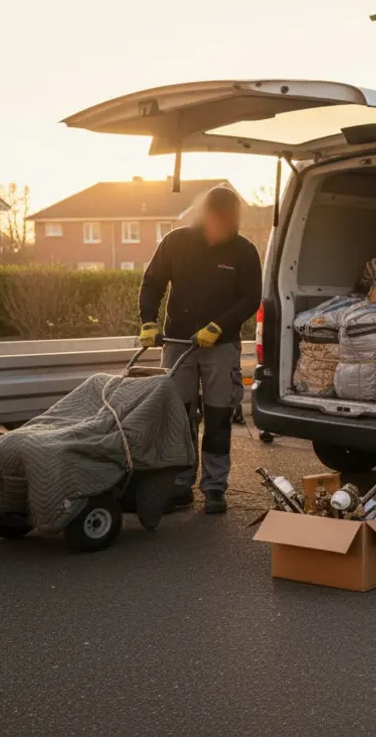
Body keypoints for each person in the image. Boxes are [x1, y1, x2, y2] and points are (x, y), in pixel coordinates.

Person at [138, 186, 262, 514]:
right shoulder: (177, 242)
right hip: (178, 343)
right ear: (205, 215)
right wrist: (148, 321)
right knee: (179, 416)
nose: (220, 226)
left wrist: (219, 325)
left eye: (226, 221)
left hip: (219, 346)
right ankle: (180, 484)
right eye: (215, 219)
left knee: (219, 416)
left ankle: (215, 487)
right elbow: (153, 282)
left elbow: (250, 298)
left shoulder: (243, 251)